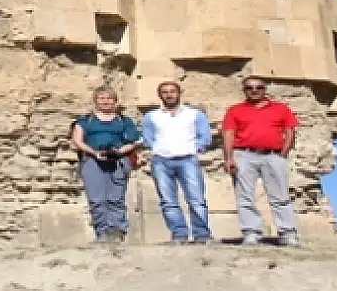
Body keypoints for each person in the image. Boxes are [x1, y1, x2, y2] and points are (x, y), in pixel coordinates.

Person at [221, 75, 301, 247]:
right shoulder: (235, 110)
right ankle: (251, 233)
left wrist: (283, 153)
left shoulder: (280, 108)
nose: (254, 91)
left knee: (280, 196)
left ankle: (287, 233)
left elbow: (289, 130)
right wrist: (228, 158)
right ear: (244, 91)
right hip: (244, 155)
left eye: (258, 87)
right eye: (250, 88)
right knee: (244, 196)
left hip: (273, 155)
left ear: (265, 90)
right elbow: (228, 133)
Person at [141, 81, 213, 243]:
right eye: (165, 92)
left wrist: (195, 148)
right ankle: (179, 234)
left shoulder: (194, 114)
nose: (169, 95)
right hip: (161, 161)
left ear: (179, 93)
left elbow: (205, 136)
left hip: (187, 160)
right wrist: (159, 149)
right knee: (168, 201)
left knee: (197, 199)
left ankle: (201, 234)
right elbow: (147, 138)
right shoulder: (151, 116)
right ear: (160, 95)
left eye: (172, 91)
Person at [70, 85, 142, 243]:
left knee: (116, 198)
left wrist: (119, 151)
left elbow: (135, 140)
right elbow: (77, 140)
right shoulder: (85, 120)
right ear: (95, 101)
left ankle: (117, 232)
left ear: (115, 101)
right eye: (102, 98)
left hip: (118, 161)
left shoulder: (124, 120)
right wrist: (94, 152)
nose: (106, 101)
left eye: (109, 98)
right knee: (96, 200)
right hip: (91, 161)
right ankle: (102, 233)